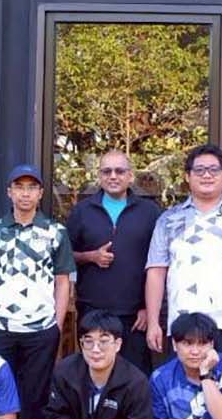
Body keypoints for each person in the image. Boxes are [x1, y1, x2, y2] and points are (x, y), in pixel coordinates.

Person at [144, 144, 222, 373]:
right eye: (199, 170)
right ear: (188, 176)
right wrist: (153, 322)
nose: (206, 175)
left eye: (214, 170)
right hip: (183, 325)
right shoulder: (169, 219)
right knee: (183, 392)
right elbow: (156, 271)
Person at [0, 164, 74, 419]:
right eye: (19, 187)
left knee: (35, 395)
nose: (25, 193)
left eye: (31, 187)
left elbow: (62, 281)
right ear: (9, 192)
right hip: (0, 326)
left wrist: (56, 324)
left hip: (41, 327)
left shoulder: (55, 231)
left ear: (40, 193)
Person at [65, 150, 162, 373]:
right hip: (92, 311)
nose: (113, 176)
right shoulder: (82, 211)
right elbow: (65, 257)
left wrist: (148, 309)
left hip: (136, 315)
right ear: (99, 176)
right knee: (94, 373)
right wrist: (90, 256)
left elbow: (159, 265)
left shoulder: (150, 212)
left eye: (119, 171)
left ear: (130, 175)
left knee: (134, 376)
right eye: (106, 171)